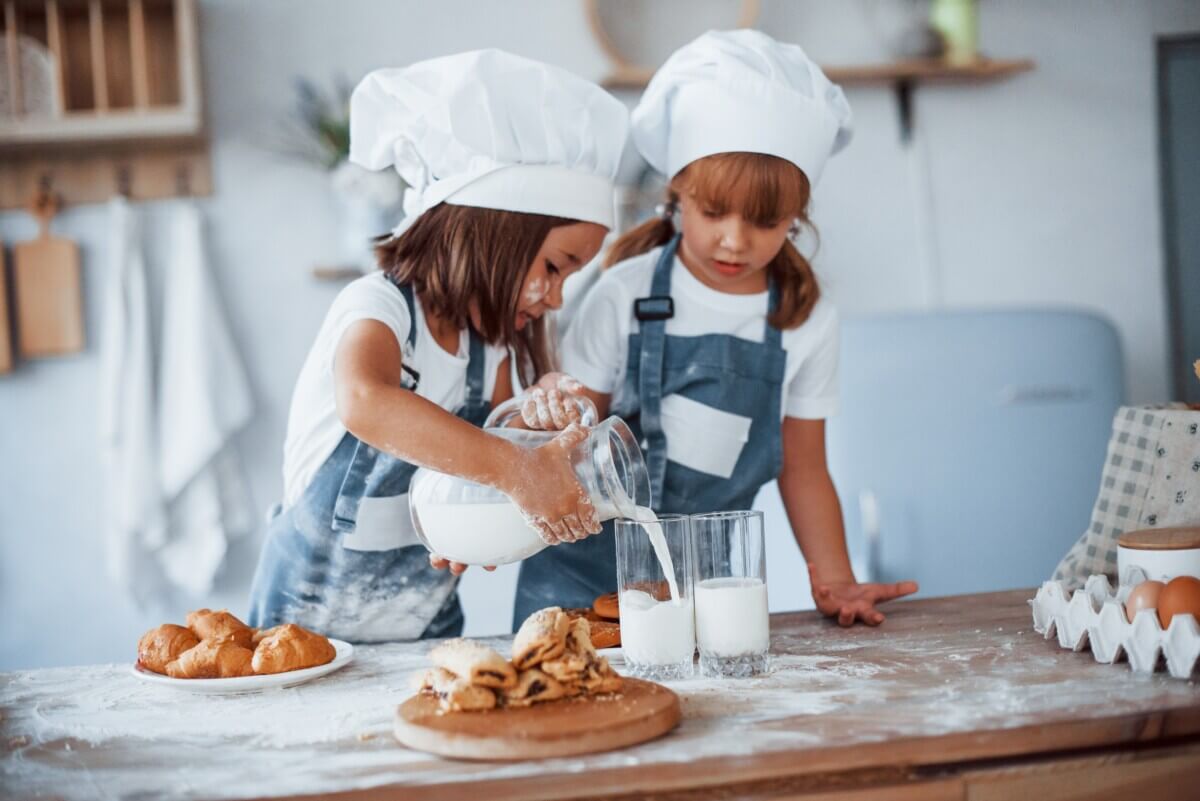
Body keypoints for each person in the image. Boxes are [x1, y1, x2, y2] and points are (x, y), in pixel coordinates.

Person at [515, 30, 917, 628]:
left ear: (796, 219)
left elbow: (805, 468)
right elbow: (570, 439)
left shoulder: (804, 321)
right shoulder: (624, 294)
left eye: (765, 221)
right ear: (677, 194)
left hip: (705, 594)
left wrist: (834, 579)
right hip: (576, 580)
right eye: (713, 213)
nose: (735, 239)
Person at [248, 49, 628, 642]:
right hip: (301, 637)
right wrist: (514, 469)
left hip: (427, 628)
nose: (555, 298)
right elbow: (367, 402)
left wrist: (531, 440)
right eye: (555, 267)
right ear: (491, 234)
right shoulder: (379, 306)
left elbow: (494, 456)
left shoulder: (494, 352)